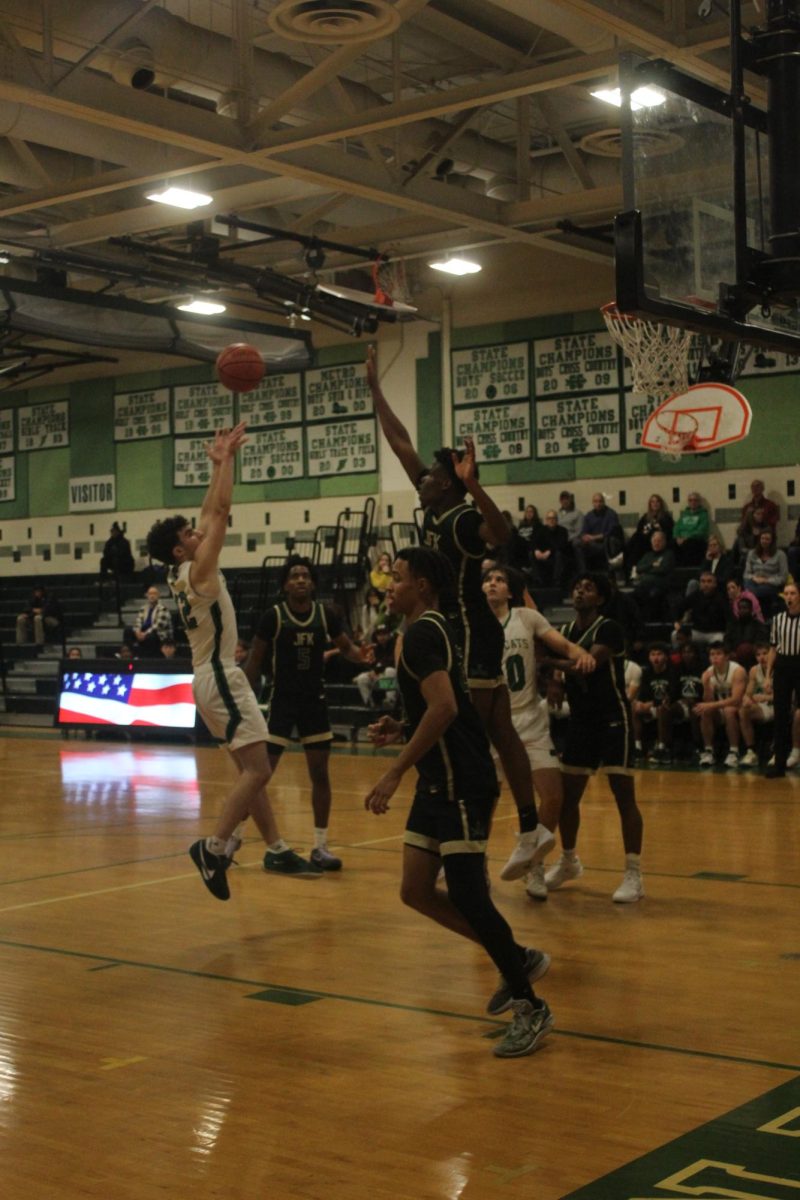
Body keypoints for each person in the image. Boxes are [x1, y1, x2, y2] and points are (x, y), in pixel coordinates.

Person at [366, 345, 552, 882]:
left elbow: (504, 536)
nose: (419, 478)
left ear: (446, 482)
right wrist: (376, 391)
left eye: (429, 477)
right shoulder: (439, 508)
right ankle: (526, 826)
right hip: (471, 633)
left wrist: (476, 486)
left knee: (470, 732)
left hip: (470, 631)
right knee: (498, 730)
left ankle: (479, 838)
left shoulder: (462, 517)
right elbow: (401, 444)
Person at [365, 547, 554, 1058]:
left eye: (398, 578)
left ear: (423, 585)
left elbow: (447, 708)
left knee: (470, 895)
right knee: (415, 889)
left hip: (463, 782)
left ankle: (529, 1004)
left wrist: (394, 770)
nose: (390, 586)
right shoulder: (428, 629)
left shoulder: (427, 630)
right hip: (438, 782)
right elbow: (449, 703)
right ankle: (516, 955)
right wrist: (402, 726)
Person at [146, 423, 318, 900]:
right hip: (221, 675)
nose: (198, 531)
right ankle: (215, 846)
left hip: (207, 677)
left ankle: (272, 845)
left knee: (252, 769)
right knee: (260, 771)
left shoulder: (183, 570)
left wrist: (219, 463)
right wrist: (227, 466)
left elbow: (210, 509)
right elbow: (219, 511)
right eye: (188, 533)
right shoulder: (199, 570)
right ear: (181, 549)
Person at [244, 556, 369, 870]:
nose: (300, 580)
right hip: (282, 702)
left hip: (314, 702)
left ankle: (320, 846)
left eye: (305, 576)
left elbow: (347, 648)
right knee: (260, 776)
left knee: (320, 775)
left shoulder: (325, 615)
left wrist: (362, 656)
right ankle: (232, 838)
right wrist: (242, 697)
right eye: (294, 576)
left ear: (312, 583)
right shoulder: (273, 617)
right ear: (285, 584)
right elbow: (255, 661)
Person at [482, 565, 595, 900]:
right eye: (488, 580)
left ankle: (532, 865)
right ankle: (476, 864)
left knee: (553, 796)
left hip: (529, 718)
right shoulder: (473, 624)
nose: (492, 583)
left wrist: (581, 654)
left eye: (500, 580)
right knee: (484, 802)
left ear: (511, 591)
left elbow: (561, 644)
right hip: (492, 723)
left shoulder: (527, 618)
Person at [542, 572, 645, 904]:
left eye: (587, 588)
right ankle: (569, 860)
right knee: (568, 797)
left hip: (613, 718)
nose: (579, 591)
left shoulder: (608, 628)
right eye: (576, 586)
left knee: (623, 796)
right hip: (582, 722)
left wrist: (547, 663)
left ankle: (633, 873)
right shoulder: (566, 632)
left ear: (600, 598)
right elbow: (564, 664)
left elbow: (586, 664)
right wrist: (555, 678)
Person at [764, 580, 800, 778]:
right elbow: (772, 648)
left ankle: (796, 752)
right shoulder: (778, 620)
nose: (789, 597)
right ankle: (779, 762)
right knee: (780, 714)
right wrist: (768, 675)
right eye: (786, 594)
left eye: (793, 593)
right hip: (784, 666)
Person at [696, 642, 747, 768]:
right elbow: (708, 700)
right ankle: (708, 751)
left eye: (718, 654)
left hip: (738, 708)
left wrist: (711, 705)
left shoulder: (737, 670)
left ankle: (734, 752)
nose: (714, 657)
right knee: (705, 711)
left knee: (729, 710)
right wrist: (706, 684)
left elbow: (736, 699)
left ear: (727, 656)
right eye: (712, 654)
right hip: (720, 709)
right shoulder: (708, 672)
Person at [631, 643, 680, 763]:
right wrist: (641, 704)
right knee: (633, 707)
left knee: (662, 708)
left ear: (665, 657)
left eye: (659, 654)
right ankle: (637, 747)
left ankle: (662, 748)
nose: (656, 658)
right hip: (653, 706)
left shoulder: (672, 671)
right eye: (652, 654)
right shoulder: (647, 673)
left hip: (671, 706)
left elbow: (673, 695)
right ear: (649, 657)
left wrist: (652, 703)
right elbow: (643, 694)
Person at [738, 644, 775, 767]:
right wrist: (746, 699)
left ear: (772, 653)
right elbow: (748, 693)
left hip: (780, 706)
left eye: (765, 653)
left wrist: (767, 697)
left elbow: (791, 697)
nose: (762, 657)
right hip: (763, 707)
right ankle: (751, 751)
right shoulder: (754, 670)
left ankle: (779, 751)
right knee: (743, 711)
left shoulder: (781, 668)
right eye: (758, 655)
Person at [674, 571, 727, 647]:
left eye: (709, 581)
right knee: (675, 635)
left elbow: (729, 619)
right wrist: (676, 621)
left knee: (719, 641)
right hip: (697, 632)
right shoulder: (695, 595)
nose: (706, 584)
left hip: (715, 633)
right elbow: (679, 607)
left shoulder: (721, 598)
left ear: (715, 584)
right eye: (703, 581)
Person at [624, 493, 674, 574]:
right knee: (635, 541)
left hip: (656, 541)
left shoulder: (665, 517)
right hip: (643, 539)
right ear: (650, 504)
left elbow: (668, 532)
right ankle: (631, 569)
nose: (655, 504)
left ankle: (629, 566)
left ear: (660, 504)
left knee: (637, 541)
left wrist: (657, 528)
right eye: (652, 502)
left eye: (657, 502)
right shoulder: (645, 517)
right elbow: (639, 530)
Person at [632, 530, 676, 620]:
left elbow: (663, 569)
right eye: (655, 541)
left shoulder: (668, 554)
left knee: (653, 595)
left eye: (659, 541)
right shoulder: (648, 555)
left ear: (664, 542)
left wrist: (646, 571)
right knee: (632, 596)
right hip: (644, 586)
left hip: (660, 586)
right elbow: (639, 568)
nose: (657, 543)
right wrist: (652, 565)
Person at [744, 529, 788, 617]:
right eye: (762, 538)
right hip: (753, 582)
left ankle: (756, 614)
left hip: (771, 584)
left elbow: (783, 577)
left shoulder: (780, 555)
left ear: (772, 541)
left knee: (752, 593)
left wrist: (766, 580)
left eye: (767, 539)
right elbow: (746, 574)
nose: (764, 541)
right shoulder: (752, 553)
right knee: (748, 583)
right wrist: (754, 578)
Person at [354, 622, 398, 709]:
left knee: (389, 670)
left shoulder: (395, 645)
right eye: (379, 634)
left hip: (396, 681)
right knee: (362, 678)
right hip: (382, 682)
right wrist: (373, 673)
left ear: (389, 634)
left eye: (384, 634)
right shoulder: (376, 649)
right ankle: (369, 704)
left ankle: (390, 702)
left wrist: (376, 670)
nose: (382, 637)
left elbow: (391, 662)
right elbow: (374, 665)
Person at [576, 492, 623, 573]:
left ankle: (612, 574)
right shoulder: (589, 515)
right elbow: (583, 531)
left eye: (600, 501)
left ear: (604, 502)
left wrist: (594, 537)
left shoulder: (611, 514)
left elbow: (612, 532)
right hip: (592, 544)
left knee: (611, 541)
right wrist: (584, 537)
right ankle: (584, 574)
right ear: (593, 503)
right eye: (595, 501)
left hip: (606, 544)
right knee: (576, 543)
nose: (598, 504)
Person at [124, 585, 173, 657]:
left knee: (151, 637)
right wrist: (137, 632)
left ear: (158, 595)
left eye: (154, 594)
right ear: (147, 595)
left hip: (159, 634)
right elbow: (138, 622)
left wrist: (144, 634)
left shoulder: (163, 609)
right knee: (127, 631)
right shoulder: (143, 608)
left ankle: (148, 659)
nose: (152, 596)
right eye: (150, 594)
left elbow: (157, 626)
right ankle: (132, 654)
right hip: (144, 632)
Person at [529, 509, 569, 589]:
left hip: (555, 555)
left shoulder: (563, 531)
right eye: (549, 518)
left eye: (553, 518)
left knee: (559, 554)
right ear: (546, 520)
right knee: (531, 554)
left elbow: (562, 545)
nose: (551, 520)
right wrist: (536, 550)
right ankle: (537, 580)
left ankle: (556, 581)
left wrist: (550, 551)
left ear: (557, 520)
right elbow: (534, 542)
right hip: (542, 554)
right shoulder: (541, 530)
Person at [724, 596, 766, 670]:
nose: (742, 610)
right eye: (740, 608)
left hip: (752, 655)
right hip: (734, 655)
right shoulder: (733, 624)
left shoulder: (758, 625)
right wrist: (730, 651)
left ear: (751, 610)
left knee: (744, 649)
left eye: (745, 608)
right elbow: (727, 639)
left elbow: (761, 642)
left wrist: (750, 649)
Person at [673, 492, 710, 566]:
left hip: (695, 540)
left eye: (695, 500)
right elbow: (677, 527)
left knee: (689, 545)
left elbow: (701, 531)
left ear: (699, 502)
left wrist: (686, 538)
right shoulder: (684, 514)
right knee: (671, 544)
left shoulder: (703, 515)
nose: (693, 502)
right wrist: (677, 537)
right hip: (682, 540)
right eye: (690, 500)